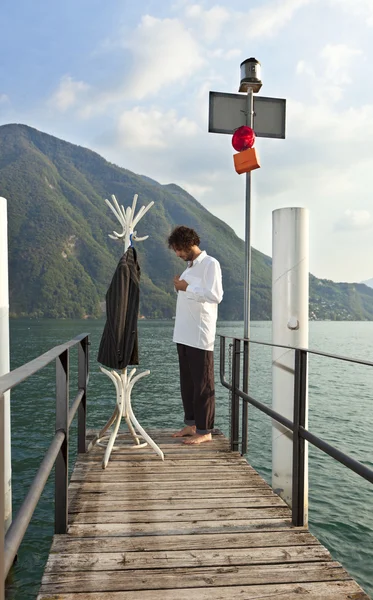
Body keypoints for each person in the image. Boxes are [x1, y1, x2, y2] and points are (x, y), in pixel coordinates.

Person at [168, 225, 223, 444]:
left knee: (202, 384)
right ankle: (192, 424)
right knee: (188, 384)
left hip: (200, 335)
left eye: (179, 249)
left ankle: (205, 431)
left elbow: (215, 295)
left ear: (189, 243)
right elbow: (187, 291)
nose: (178, 254)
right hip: (182, 334)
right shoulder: (189, 268)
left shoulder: (210, 264)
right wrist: (180, 286)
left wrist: (185, 287)